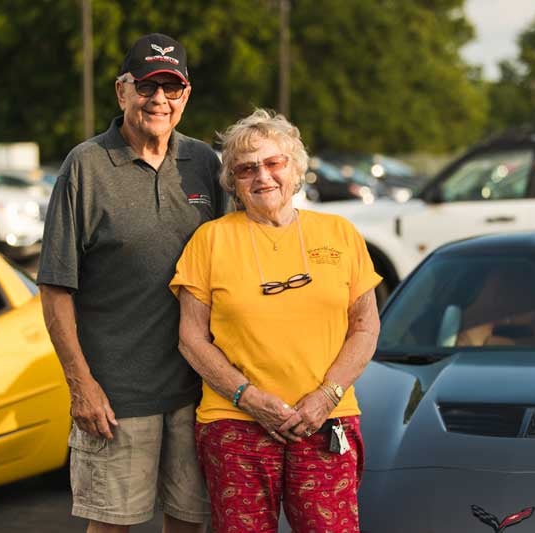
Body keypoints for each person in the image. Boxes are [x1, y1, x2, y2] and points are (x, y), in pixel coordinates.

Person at [37, 33, 224, 533]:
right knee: (112, 527)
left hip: (197, 393)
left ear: (185, 97)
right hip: (116, 400)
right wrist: (81, 386)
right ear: (122, 92)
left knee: (189, 521)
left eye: (171, 86)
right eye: (146, 86)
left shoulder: (205, 163)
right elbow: (56, 290)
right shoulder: (86, 166)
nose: (158, 99)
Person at [170, 109, 381, 532]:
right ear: (233, 180)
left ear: (295, 167)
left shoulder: (340, 233)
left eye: (273, 163)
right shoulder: (210, 240)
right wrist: (247, 397)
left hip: (326, 421)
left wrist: (325, 397)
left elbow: (366, 326)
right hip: (236, 425)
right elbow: (191, 338)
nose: (261, 176)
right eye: (246, 169)